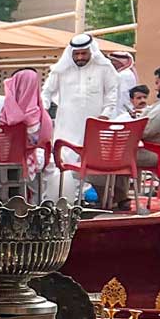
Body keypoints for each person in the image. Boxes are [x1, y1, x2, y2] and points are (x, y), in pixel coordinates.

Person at [41, 36, 121, 200]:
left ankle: (86, 198)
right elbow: (46, 92)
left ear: (91, 51)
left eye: (84, 54)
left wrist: (105, 115)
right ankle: (66, 200)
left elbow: (112, 93)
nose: (79, 58)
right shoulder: (61, 69)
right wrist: (42, 111)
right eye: (76, 54)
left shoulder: (104, 68)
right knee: (64, 163)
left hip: (95, 125)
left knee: (90, 164)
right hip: (67, 125)